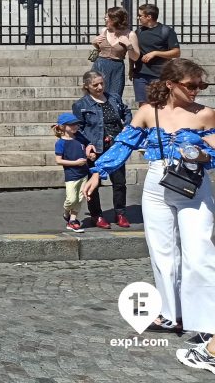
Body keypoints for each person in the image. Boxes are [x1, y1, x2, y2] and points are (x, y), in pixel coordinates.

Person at [81, 59, 215, 372]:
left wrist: (203, 153)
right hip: (157, 184)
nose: (196, 91)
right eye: (190, 85)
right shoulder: (147, 111)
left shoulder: (206, 114)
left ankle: (209, 322)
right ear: (170, 84)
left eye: (200, 86)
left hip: (193, 186)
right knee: (162, 252)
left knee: (200, 255)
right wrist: (99, 172)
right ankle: (171, 314)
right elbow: (124, 144)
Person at [73, 70, 133, 228]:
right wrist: (87, 145)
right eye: (95, 85)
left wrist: (127, 125)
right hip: (96, 146)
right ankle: (96, 215)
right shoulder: (81, 105)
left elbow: (126, 112)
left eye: (102, 83)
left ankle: (120, 213)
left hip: (116, 145)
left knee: (119, 181)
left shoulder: (113, 98)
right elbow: (78, 129)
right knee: (94, 183)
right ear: (86, 86)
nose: (100, 87)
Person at [131, 3, 181, 105]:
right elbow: (133, 52)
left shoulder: (166, 31)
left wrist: (155, 53)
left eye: (140, 15)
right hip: (141, 75)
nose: (138, 18)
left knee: (161, 104)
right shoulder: (138, 32)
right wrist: (131, 68)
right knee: (143, 106)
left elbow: (176, 52)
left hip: (160, 75)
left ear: (149, 17)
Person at [90, 6, 138, 102]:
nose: (105, 19)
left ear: (115, 19)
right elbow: (101, 48)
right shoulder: (104, 31)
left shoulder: (130, 34)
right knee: (96, 96)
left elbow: (135, 57)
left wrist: (128, 45)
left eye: (107, 17)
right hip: (100, 65)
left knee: (114, 97)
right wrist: (94, 42)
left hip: (116, 68)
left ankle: (113, 117)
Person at [52, 113, 90, 233]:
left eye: (76, 124)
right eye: (71, 124)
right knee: (71, 199)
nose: (75, 126)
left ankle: (73, 220)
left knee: (79, 199)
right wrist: (76, 163)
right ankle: (66, 212)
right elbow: (58, 160)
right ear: (63, 127)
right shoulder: (61, 143)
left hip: (83, 173)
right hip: (72, 175)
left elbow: (88, 145)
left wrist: (90, 154)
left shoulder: (79, 137)